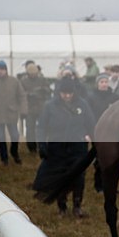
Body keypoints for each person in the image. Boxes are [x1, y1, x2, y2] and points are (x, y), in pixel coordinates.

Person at [33, 76, 96, 217]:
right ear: (59, 92)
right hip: (57, 148)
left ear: (74, 92)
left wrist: (96, 144)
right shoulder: (50, 106)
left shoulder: (82, 105)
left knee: (79, 176)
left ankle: (77, 206)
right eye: (64, 93)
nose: (67, 96)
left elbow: (91, 124)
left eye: (69, 93)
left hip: (78, 147)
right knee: (61, 176)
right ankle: (62, 206)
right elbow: (41, 127)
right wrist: (42, 144)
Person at [0, 60, 28, 166]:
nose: (0, 71)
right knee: (1, 137)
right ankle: (4, 159)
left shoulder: (14, 81)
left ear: (6, 70)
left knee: (15, 135)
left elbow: (22, 96)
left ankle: (14, 152)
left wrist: (23, 110)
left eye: (2, 69)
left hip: (11, 113)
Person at [20, 62, 52, 154]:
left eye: (35, 73)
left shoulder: (42, 79)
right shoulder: (23, 81)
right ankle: (32, 148)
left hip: (41, 107)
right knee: (30, 129)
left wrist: (44, 90)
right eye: (32, 74)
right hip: (29, 108)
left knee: (43, 128)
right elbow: (20, 94)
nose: (34, 75)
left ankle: (43, 145)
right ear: (28, 73)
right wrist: (29, 94)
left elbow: (49, 90)